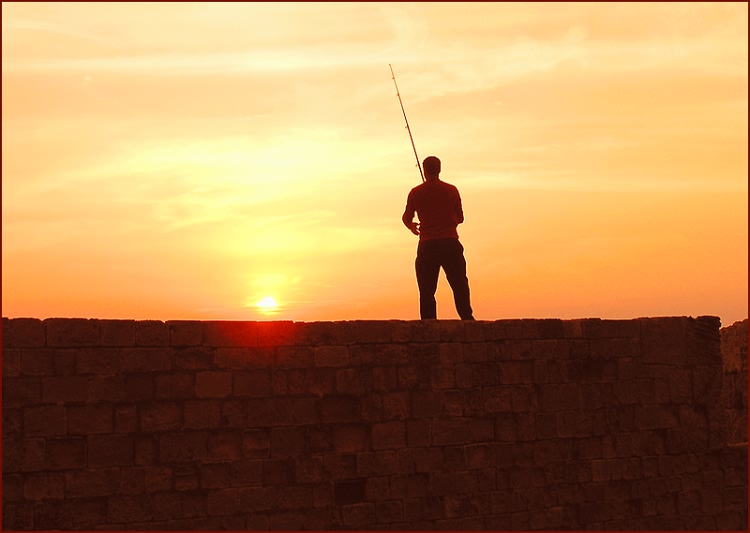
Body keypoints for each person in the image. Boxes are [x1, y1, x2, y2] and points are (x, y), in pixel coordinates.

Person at [402, 156, 475, 320]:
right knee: (459, 285)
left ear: (425, 170)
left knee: (426, 290)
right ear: (439, 169)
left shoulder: (415, 192)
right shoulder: (451, 190)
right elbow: (460, 217)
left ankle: (429, 324)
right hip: (450, 243)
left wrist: (412, 226)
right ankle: (467, 318)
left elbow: (407, 218)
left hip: (427, 245)